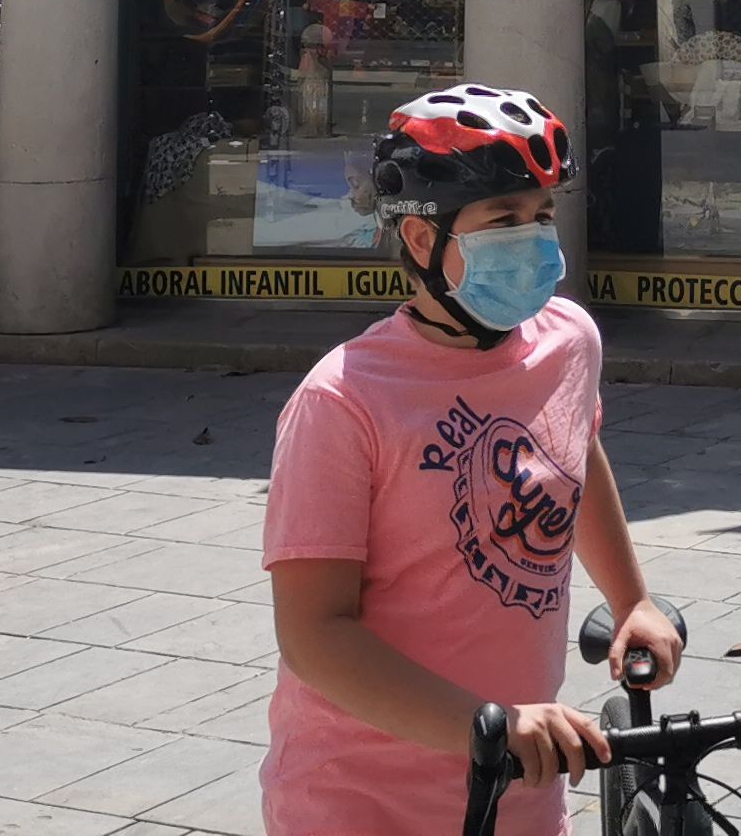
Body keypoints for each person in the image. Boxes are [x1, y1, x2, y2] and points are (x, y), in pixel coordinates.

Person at [263, 83, 680, 836]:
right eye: (503, 220)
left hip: (524, 785)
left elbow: (572, 457)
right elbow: (315, 633)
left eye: (542, 215)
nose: (534, 236)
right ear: (423, 242)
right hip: (361, 798)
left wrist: (632, 602)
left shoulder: (568, 340)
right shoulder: (344, 401)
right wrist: (486, 725)